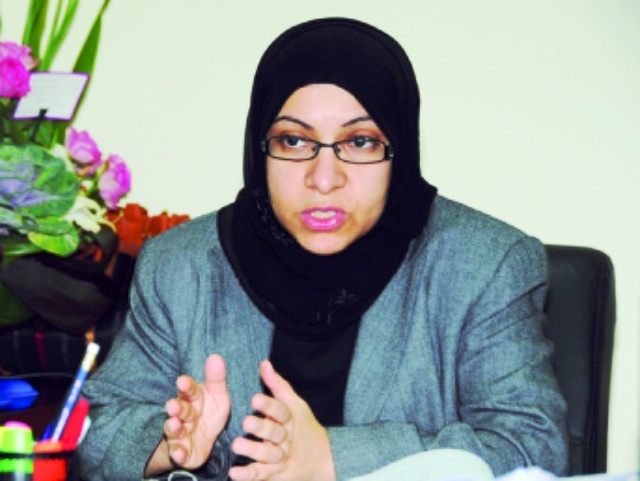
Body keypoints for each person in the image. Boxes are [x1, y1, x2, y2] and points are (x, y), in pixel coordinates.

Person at [76, 17, 568, 481]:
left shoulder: (484, 266)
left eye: (360, 142)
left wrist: (332, 457)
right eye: (294, 141)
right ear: (260, 146)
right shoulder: (181, 266)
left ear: (399, 149)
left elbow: (532, 446)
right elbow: (94, 430)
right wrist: (169, 441)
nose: (324, 179)